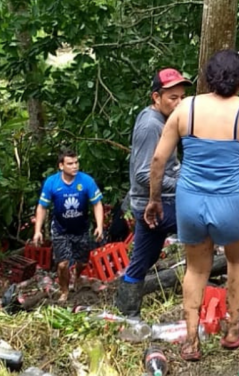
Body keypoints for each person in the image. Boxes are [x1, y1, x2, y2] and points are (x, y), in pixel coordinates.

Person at [144, 49, 239, 361]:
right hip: (232, 202)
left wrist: (154, 199)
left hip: (190, 201)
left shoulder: (186, 107)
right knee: (238, 262)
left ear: (206, 78)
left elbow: (158, 159)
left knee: (196, 268)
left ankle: (191, 340)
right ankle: (232, 331)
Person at [114, 68, 192, 316]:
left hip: (156, 201)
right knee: (201, 227)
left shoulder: (166, 119)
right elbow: (143, 174)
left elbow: (169, 166)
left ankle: (126, 313)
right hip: (152, 203)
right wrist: (183, 185)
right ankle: (198, 288)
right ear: (156, 97)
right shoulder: (151, 125)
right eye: (172, 98)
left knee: (142, 262)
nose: (179, 103)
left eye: (182, 97)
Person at [33, 148, 104, 302]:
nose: (74, 166)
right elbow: (42, 207)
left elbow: (97, 204)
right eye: (70, 163)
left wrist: (99, 225)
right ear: (61, 166)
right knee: (63, 265)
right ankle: (64, 291)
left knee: (82, 262)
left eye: (76, 162)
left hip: (81, 228)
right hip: (60, 229)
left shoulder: (86, 181)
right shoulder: (52, 183)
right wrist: (37, 231)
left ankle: (77, 276)